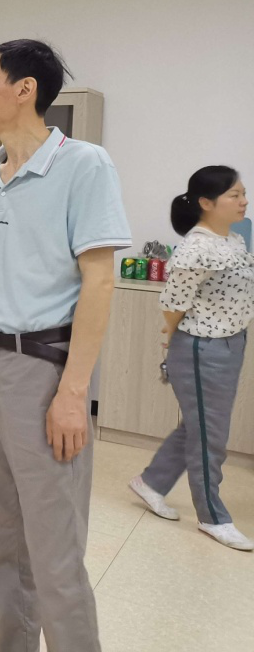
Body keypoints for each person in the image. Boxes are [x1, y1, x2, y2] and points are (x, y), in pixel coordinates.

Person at [0, 40, 131, 651]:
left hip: (43, 371)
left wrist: (73, 393)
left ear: (24, 89)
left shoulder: (84, 165)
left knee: (55, 552)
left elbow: (99, 281)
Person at [129, 167, 253, 550]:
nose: (244, 201)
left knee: (200, 426)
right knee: (209, 437)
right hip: (203, 348)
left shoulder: (234, 239)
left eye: (243, 193)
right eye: (234, 195)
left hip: (231, 342)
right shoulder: (196, 249)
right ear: (206, 203)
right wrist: (172, 345)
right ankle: (213, 517)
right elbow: (172, 305)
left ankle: (150, 483)